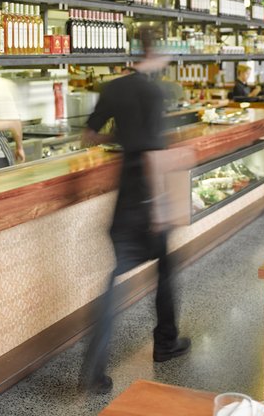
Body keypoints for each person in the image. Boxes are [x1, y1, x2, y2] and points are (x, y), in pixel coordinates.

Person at [79, 28, 191, 395]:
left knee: (115, 280)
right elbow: (154, 154)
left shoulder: (113, 88)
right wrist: (161, 206)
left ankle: (94, 372)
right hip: (147, 196)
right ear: (154, 52)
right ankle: (166, 342)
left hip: (124, 198)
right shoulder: (154, 91)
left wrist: (121, 138)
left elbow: (90, 134)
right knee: (166, 269)